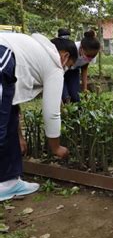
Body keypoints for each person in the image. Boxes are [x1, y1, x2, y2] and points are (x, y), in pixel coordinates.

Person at [0, 32, 77, 201]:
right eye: (69, 66)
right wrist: (56, 148)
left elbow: (12, 105)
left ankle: (8, 182)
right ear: (64, 56)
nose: (65, 71)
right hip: (1, 56)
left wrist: (20, 136)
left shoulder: (33, 53)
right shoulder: (54, 64)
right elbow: (52, 112)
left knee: (6, 124)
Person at [60, 29, 100, 103]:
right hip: (61, 71)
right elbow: (61, 68)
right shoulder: (71, 49)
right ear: (81, 48)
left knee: (76, 98)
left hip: (74, 71)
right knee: (65, 97)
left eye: (92, 56)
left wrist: (85, 89)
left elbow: (84, 69)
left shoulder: (92, 53)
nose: (90, 58)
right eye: (88, 55)